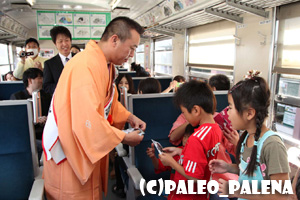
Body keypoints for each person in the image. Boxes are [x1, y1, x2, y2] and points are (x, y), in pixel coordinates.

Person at [42, 16, 146, 200]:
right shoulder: (84, 66)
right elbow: (86, 120)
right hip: (68, 153)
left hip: (83, 148)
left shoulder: (106, 66)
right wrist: (123, 137)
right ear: (114, 39)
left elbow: (108, 101)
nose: (131, 55)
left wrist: (129, 117)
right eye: (131, 48)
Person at [209, 70, 290, 199]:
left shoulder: (272, 145)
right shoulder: (247, 136)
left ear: (249, 113)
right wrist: (228, 167)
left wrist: (238, 191)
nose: (227, 113)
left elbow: (282, 195)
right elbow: (250, 172)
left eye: (230, 107)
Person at [159, 80, 222, 200]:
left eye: (184, 112)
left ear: (196, 110)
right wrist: (181, 152)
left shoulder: (196, 138)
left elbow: (194, 177)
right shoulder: (215, 129)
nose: (185, 116)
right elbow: (202, 159)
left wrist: (171, 162)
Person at [10, 68, 51, 161]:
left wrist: (46, 119)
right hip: (28, 134)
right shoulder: (17, 98)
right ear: (29, 80)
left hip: (44, 132)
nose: (42, 81)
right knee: (42, 145)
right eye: (39, 78)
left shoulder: (46, 96)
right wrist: (33, 121)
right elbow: (16, 121)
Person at [43, 26, 73, 95]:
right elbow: (46, 87)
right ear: (55, 44)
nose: (64, 44)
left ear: (70, 41)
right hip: (60, 100)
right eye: (60, 41)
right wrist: (64, 88)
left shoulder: (79, 58)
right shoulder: (49, 64)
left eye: (67, 40)